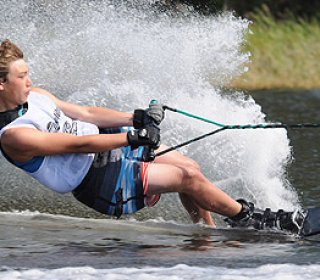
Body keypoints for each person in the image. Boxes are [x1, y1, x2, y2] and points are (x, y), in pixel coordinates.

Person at [0, 39, 303, 232]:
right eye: (21, 76)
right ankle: (253, 220)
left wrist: (135, 118)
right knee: (187, 180)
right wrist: (134, 137)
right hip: (98, 179)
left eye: (28, 73)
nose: (30, 80)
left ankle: (207, 235)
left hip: (110, 143)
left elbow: (87, 114)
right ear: (2, 85)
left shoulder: (36, 95)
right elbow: (79, 144)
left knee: (190, 168)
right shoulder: (13, 137)